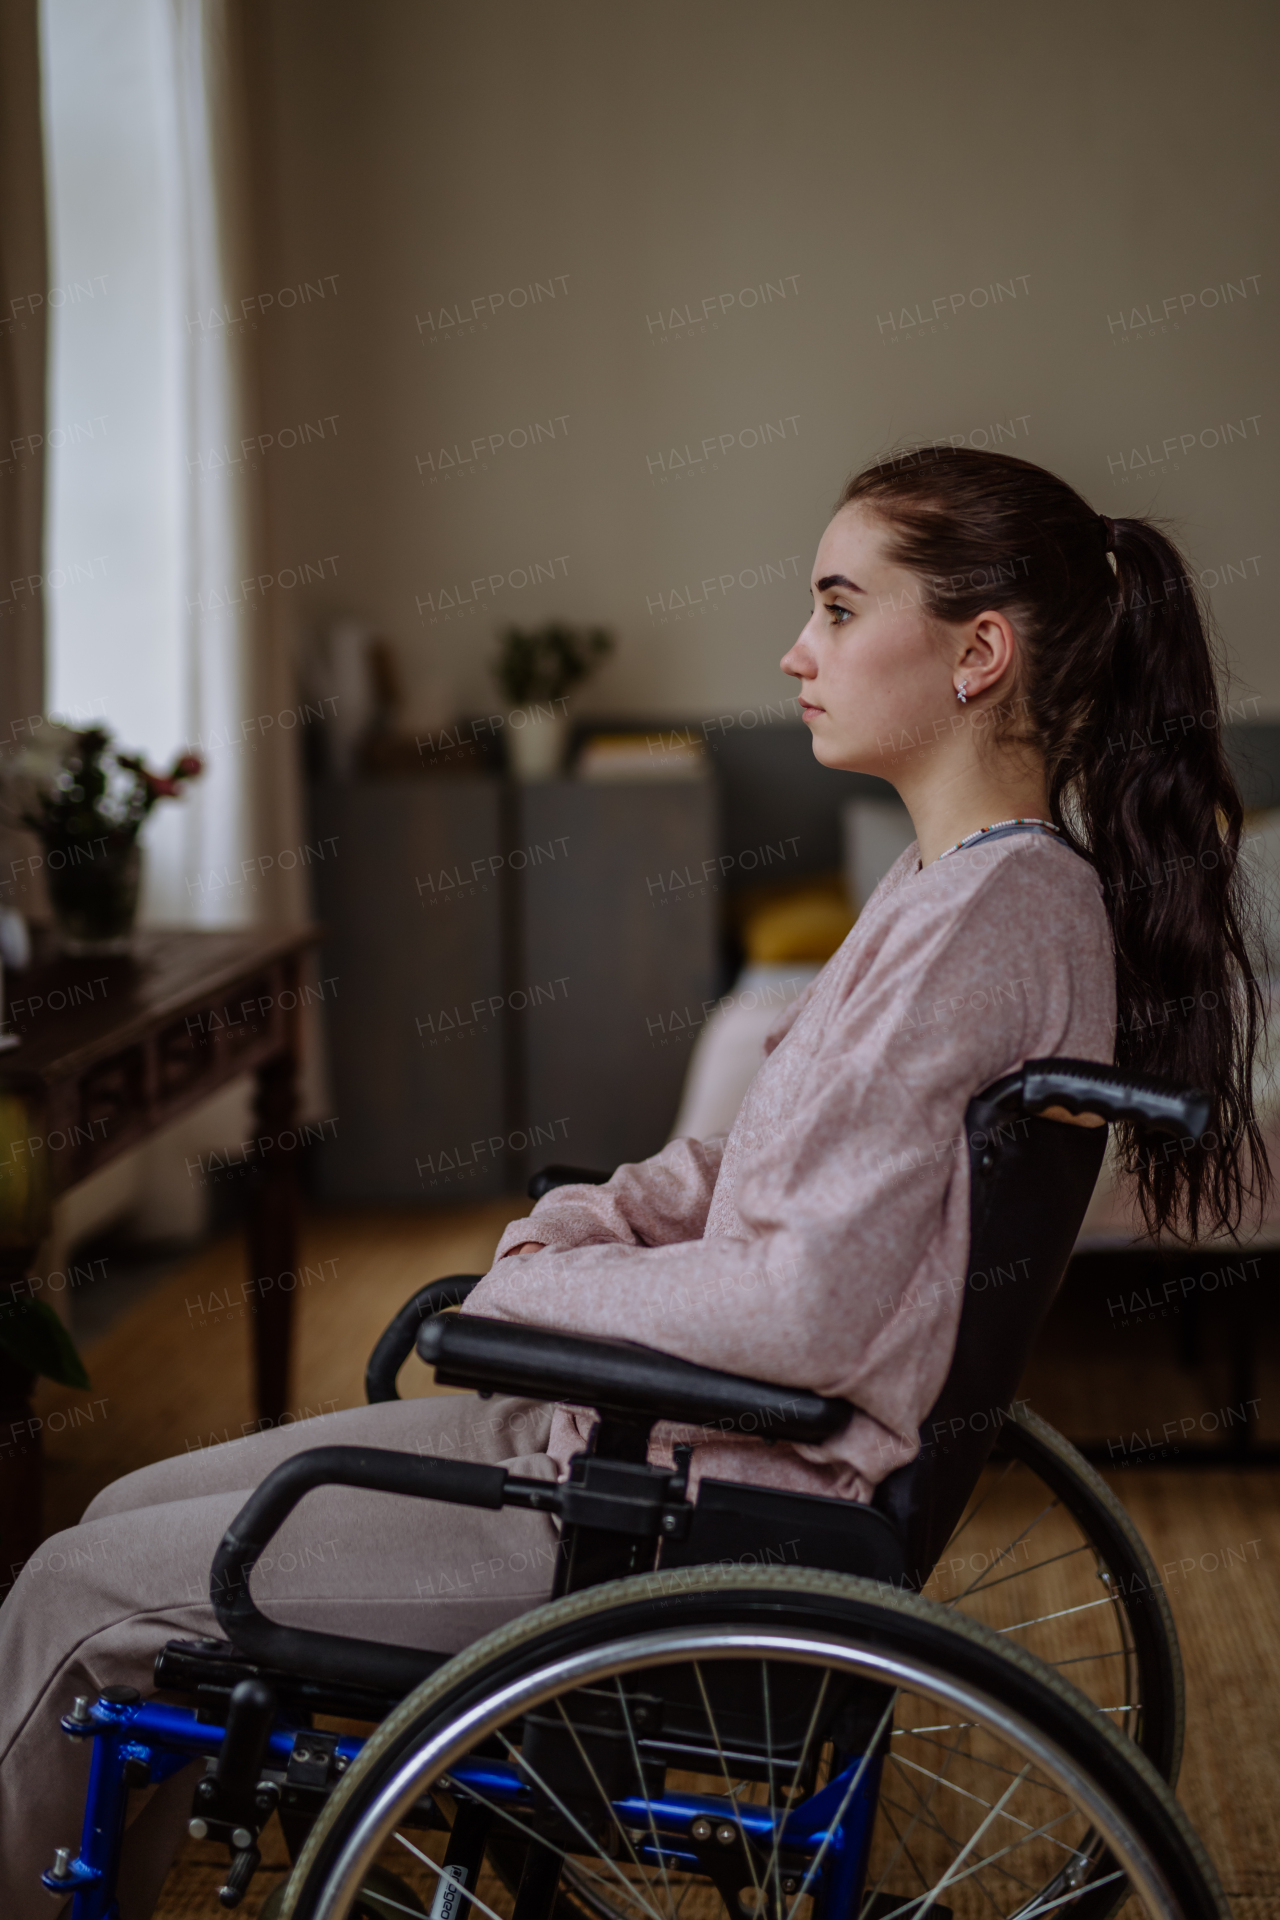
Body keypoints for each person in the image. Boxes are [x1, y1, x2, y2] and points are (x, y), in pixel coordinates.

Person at [0, 447, 1267, 1915]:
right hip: (642, 1447)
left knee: (70, 1599)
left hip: (677, 1512)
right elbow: (757, 1158)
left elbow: (801, 1300)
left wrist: (545, 1285)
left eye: (843, 610)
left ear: (980, 653)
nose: (798, 653)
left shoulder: (995, 914)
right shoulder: (955, 887)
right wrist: (584, 1227)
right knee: (116, 1523)